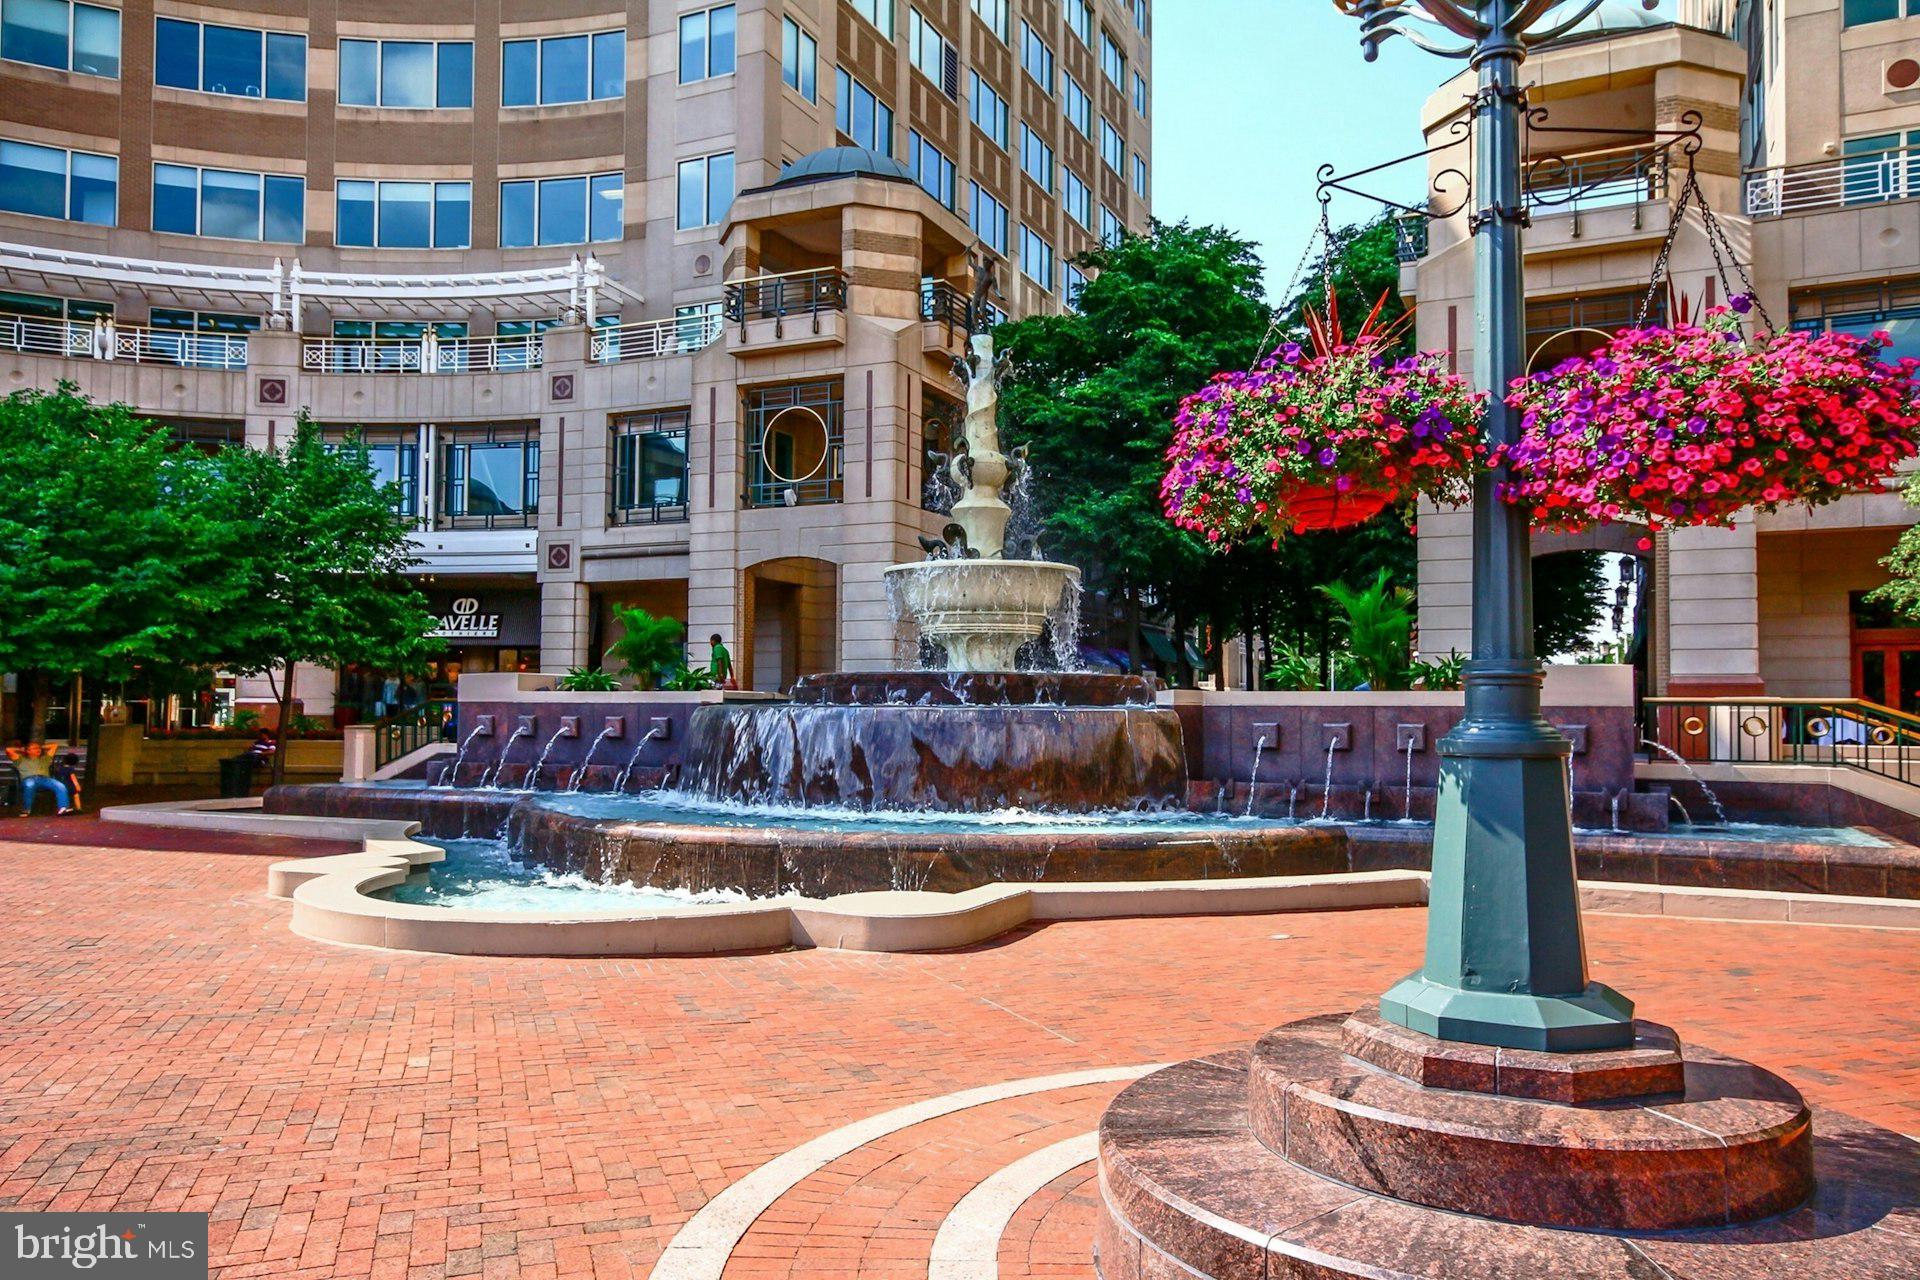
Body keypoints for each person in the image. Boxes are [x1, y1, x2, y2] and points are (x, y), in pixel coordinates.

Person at [6, 742, 75, 816]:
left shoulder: (45, 758)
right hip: (29, 779)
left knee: (60, 785)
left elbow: (55, 745)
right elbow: (8, 749)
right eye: (35, 748)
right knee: (30, 785)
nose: (38, 749)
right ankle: (26, 810)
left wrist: (40, 747)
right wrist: (21, 749)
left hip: (45, 779)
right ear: (27, 750)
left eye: (39, 748)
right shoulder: (20, 759)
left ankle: (63, 808)